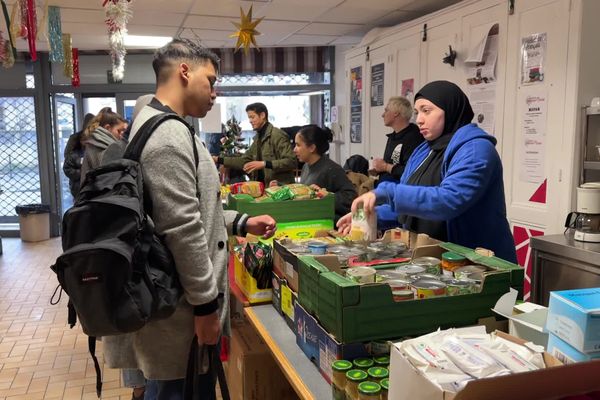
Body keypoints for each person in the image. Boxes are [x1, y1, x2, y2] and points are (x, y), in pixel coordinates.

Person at [102, 39, 276, 400]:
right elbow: (181, 230)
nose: (214, 92)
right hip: (179, 312)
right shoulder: (167, 135)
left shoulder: (161, 124)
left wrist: (242, 223)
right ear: (184, 71)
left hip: (175, 304)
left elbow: (190, 213)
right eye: (210, 81)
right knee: (178, 390)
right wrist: (206, 307)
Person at [337, 81, 517, 263]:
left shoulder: (475, 149)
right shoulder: (425, 150)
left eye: (426, 110)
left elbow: (448, 200)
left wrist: (386, 192)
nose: (419, 119)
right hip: (438, 259)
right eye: (417, 112)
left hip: (479, 262)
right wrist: (371, 215)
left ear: (449, 109)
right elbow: (410, 208)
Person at [214, 102, 296, 185]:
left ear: (262, 115)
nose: (250, 121)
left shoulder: (277, 135)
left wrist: (265, 164)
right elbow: (244, 160)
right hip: (265, 190)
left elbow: (291, 161)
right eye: (249, 118)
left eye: (252, 117)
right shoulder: (258, 138)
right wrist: (218, 159)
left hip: (280, 191)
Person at [293, 124, 356, 222]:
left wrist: (325, 195)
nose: (294, 149)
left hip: (331, 225)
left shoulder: (332, 169)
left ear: (312, 148)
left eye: (298, 145)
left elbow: (351, 198)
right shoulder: (306, 166)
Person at [372, 96, 423, 184]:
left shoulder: (415, 137)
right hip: (385, 187)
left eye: (386, 110)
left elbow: (413, 172)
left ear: (396, 113)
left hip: (400, 192)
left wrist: (385, 166)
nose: (383, 115)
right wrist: (379, 169)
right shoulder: (392, 137)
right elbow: (391, 166)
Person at [79, 107, 128, 183]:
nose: (121, 135)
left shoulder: (94, 143)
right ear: (108, 128)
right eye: (119, 131)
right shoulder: (107, 148)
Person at [63, 113, 94, 198]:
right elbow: (68, 158)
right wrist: (81, 172)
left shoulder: (76, 137)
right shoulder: (75, 138)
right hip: (78, 182)